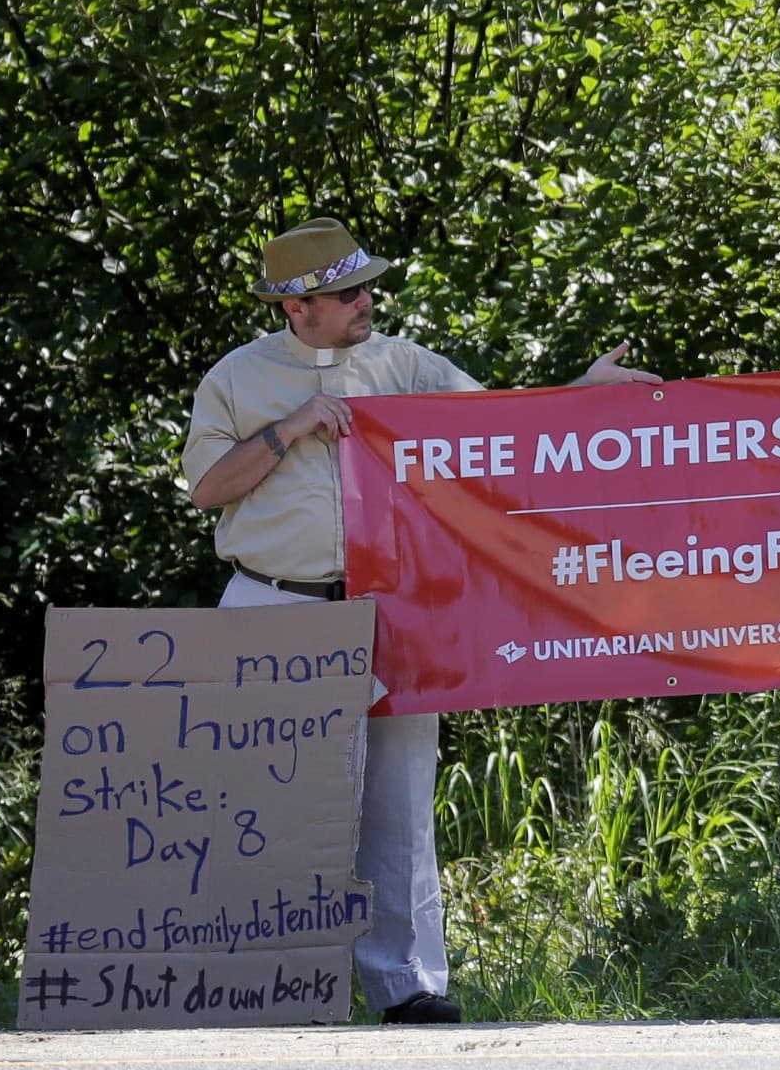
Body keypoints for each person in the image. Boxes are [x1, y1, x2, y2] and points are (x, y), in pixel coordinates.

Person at [181, 220, 652, 1025]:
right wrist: (290, 428)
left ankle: (408, 986)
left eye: (368, 286)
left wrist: (577, 394)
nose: (368, 301)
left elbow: (496, 431)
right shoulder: (236, 378)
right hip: (273, 602)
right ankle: (265, 986)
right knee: (266, 798)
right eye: (349, 291)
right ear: (297, 307)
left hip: (390, 607)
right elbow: (207, 489)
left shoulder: (403, 363)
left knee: (400, 796)